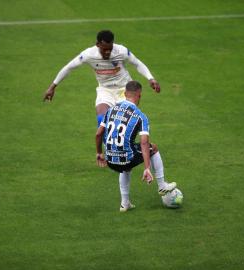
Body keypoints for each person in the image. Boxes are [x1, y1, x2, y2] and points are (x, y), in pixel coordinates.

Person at [43, 30, 161, 126]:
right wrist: (52, 87)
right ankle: (106, 152)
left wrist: (151, 78)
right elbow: (69, 67)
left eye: (110, 48)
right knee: (102, 119)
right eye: (104, 49)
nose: (107, 52)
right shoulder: (89, 54)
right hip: (105, 90)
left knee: (124, 122)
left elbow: (137, 63)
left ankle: (124, 149)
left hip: (124, 89)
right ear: (98, 44)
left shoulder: (121, 51)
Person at [95, 81, 176, 212]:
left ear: (125, 94)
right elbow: (144, 143)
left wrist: (99, 153)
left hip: (110, 161)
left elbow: (98, 134)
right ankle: (162, 185)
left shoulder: (111, 110)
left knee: (126, 163)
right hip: (127, 158)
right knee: (153, 148)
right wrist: (147, 168)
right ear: (139, 95)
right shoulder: (140, 116)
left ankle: (125, 203)